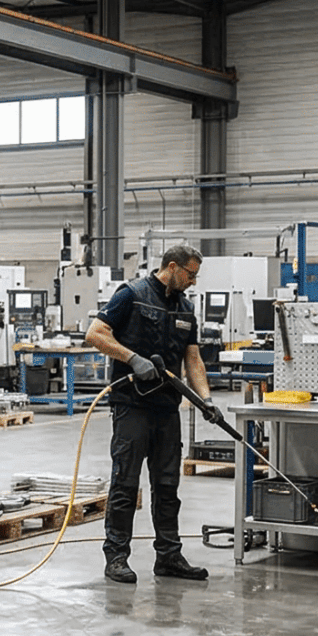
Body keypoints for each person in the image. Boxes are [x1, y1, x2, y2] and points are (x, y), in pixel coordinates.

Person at [85, 245, 213, 585]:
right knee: (125, 484)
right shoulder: (131, 295)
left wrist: (206, 398)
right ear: (172, 267)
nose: (193, 282)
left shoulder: (186, 308)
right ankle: (116, 557)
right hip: (132, 406)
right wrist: (132, 358)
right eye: (190, 275)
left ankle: (169, 556)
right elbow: (95, 334)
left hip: (166, 408)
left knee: (168, 486)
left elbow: (193, 359)